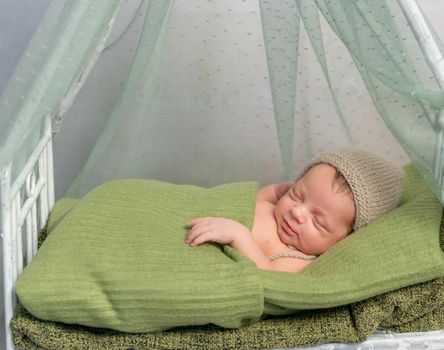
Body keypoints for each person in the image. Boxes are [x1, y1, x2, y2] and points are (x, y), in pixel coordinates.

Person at [186, 150, 404, 273]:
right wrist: (275, 191)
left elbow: (268, 278)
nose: (298, 212)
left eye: (318, 222)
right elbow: (248, 200)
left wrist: (239, 236)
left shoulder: (299, 259)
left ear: (343, 241)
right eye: (297, 194)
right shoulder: (275, 207)